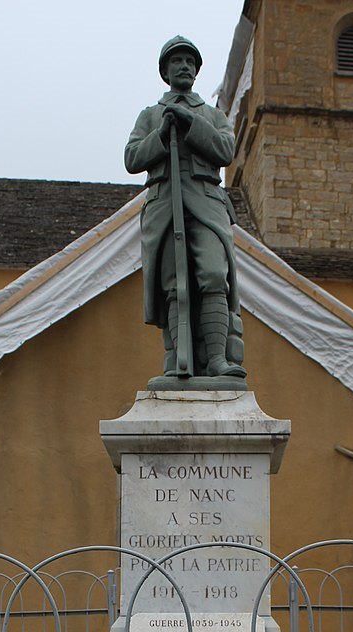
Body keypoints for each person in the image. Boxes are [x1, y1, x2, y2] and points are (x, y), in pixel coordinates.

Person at [125, 36, 246, 381]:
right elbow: (132, 158)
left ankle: (218, 360)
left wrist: (191, 125)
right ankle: (178, 360)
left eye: (190, 62)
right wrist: (163, 133)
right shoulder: (150, 116)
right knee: (173, 284)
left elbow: (225, 150)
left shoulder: (212, 115)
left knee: (212, 276)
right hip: (165, 205)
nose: (184, 67)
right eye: (177, 61)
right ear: (165, 71)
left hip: (206, 205)